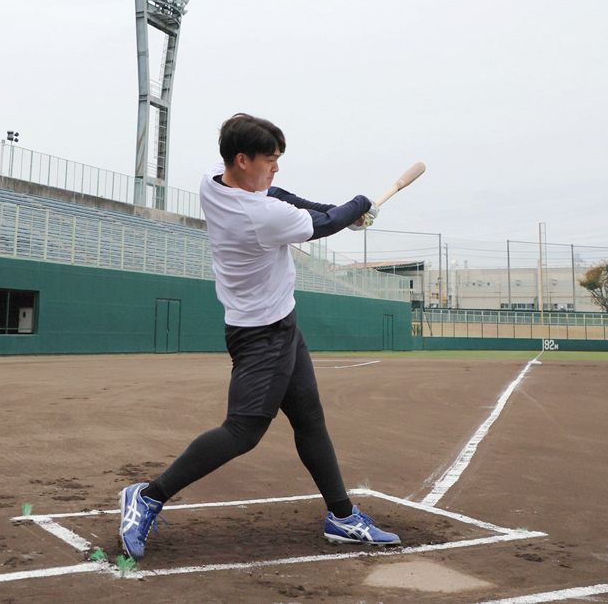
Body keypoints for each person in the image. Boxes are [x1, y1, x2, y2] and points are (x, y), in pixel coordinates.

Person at [118, 113, 400, 560]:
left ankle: (342, 517)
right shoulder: (257, 216)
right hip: (262, 335)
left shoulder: (216, 181)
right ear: (243, 159)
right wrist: (358, 204)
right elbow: (320, 225)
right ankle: (148, 496)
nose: (276, 167)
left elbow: (286, 197)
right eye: (270, 159)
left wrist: (344, 212)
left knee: (310, 421)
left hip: (280, 323)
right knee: (242, 431)